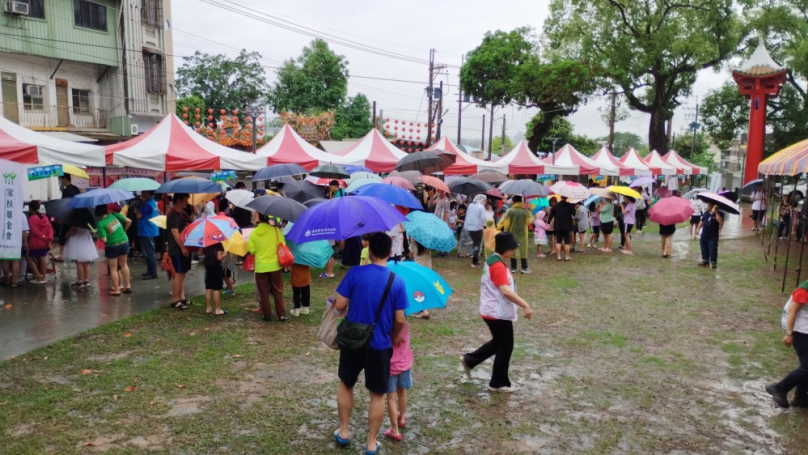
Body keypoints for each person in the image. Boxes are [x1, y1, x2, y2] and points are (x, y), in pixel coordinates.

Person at [333, 233, 408, 455]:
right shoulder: (397, 281)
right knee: (377, 393)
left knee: (346, 384)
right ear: (390, 252)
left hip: (353, 341)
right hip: (381, 344)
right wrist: (394, 335)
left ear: (369, 250)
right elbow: (401, 319)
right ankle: (371, 442)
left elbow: (339, 304)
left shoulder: (355, 273)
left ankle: (344, 432)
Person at [460, 232, 532, 393]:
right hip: (496, 312)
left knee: (499, 343)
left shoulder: (493, 259)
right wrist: (524, 304)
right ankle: (498, 382)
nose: (513, 252)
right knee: (505, 346)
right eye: (512, 249)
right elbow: (505, 291)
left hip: (491, 309)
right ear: (506, 248)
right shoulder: (497, 265)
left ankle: (469, 360)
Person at [766, 280, 808, 408]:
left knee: (806, 366)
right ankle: (780, 388)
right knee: (807, 366)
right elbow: (792, 311)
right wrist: (789, 333)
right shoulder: (804, 290)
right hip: (800, 331)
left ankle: (801, 397)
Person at [248, 214, 288, 322]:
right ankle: (281, 315)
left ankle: (267, 315)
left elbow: (252, 250)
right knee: (278, 290)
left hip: (261, 266)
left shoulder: (254, 233)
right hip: (275, 266)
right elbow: (282, 244)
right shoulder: (276, 231)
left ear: (259, 218)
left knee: (263, 292)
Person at [384, 320, 413, 442]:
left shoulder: (385, 328)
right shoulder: (405, 326)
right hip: (404, 365)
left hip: (390, 368)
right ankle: (401, 418)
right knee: (402, 392)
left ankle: (394, 430)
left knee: (391, 398)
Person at [95, 204, 132, 295]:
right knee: (124, 265)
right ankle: (127, 285)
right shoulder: (115, 215)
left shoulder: (101, 224)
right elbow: (129, 221)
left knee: (113, 269)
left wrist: (98, 236)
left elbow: (104, 240)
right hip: (124, 242)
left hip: (112, 246)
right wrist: (124, 231)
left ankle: (116, 290)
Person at [167, 193, 193, 309]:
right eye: (185, 200)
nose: (186, 203)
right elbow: (174, 232)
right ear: (178, 200)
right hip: (178, 249)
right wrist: (182, 247)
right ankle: (175, 299)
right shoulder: (173, 215)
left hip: (185, 248)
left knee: (182, 273)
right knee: (179, 274)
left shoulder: (183, 213)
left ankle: (181, 297)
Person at [497, 195, 534, 273]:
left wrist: (498, 227)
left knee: (512, 249)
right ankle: (524, 267)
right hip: (523, 233)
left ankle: (513, 267)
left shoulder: (509, 210)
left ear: (513, 201)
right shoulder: (525, 211)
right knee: (523, 250)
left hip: (511, 233)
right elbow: (529, 221)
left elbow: (503, 220)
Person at [54, 174, 81, 262]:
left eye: (60, 179)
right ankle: (77, 254)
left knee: (63, 235)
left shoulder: (66, 191)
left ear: (64, 179)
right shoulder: (76, 189)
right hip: (77, 215)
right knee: (75, 235)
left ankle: (61, 255)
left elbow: (64, 204)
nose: (60, 181)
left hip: (68, 216)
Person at [26, 201, 53, 284]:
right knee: (42, 258)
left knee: (28, 257)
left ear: (30, 208)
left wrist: (42, 236)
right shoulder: (44, 217)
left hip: (35, 242)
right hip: (44, 243)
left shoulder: (31, 218)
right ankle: (44, 277)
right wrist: (48, 238)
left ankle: (38, 275)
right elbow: (50, 228)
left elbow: (34, 231)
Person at [1, 212, 29, 288]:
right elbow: (24, 231)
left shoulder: (3, 212)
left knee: (5, 260)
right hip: (16, 241)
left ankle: (6, 280)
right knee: (15, 261)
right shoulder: (21, 215)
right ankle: (14, 282)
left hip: (4, 241)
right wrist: (25, 242)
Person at [137, 191, 159, 280]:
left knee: (149, 253)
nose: (142, 193)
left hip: (147, 231)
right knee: (149, 252)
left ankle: (152, 272)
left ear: (148, 193)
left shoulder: (148, 204)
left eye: (144, 192)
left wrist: (137, 213)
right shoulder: (152, 202)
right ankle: (150, 270)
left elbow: (138, 216)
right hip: (149, 229)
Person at [697, 202, 724, 269]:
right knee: (703, 247)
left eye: (709, 204)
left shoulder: (719, 213)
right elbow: (702, 221)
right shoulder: (706, 213)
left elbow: (721, 222)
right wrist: (698, 228)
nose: (707, 205)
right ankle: (705, 261)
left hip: (713, 235)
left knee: (713, 248)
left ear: (713, 206)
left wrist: (716, 212)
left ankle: (713, 262)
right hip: (704, 234)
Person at [548, 196, 576, 262]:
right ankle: (567, 256)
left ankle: (558, 256)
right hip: (567, 226)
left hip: (558, 225)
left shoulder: (555, 206)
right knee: (567, 242)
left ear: (560, 197)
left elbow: (551, 215)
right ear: (567, 197)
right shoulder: (569, 205)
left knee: (558, 241)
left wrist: (548, 222)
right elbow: (574, 214)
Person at [203, 242, 227, 316]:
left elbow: (200, 253)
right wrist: (225, 254)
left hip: (208, 267)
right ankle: (217, 309)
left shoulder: (205, 243)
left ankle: (208, 308)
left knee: (208, 288)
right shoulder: (218, 244)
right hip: (216, 267)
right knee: (216, 289)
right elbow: (219, 257)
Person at [466, 195, 488, 267]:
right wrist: (485, 224)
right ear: (482, 200)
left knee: (475, 244)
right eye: (484, 201)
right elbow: (483, 218)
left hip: (469, 227)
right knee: (477, 244)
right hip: (477, 228)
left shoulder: (470, 205)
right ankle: (474, 262)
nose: (485, 202)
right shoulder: (481, 207)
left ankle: (475, 259)